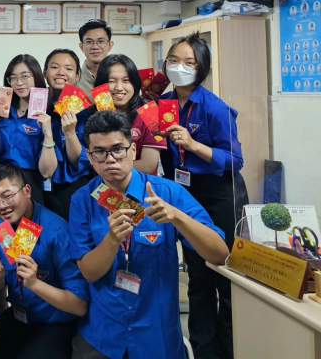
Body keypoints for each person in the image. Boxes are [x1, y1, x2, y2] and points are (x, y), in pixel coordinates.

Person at [69, 111, 228, 359]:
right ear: (89, 157)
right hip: (103, 336)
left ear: (133, 150)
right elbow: (89, 272)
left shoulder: (167, 193)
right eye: (99, 152)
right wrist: (111, 240)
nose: (110, 159)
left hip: (158, 337)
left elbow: (220, 254)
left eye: (118, 149)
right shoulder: (82, 200)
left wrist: (177, 217)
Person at [158, 33, 248, 359]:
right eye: (173, 61)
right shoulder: (164, 103)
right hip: (184, 192)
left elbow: (235, 160)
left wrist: (194, 145)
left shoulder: (214, 107)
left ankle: (230, 350)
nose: (179, 67)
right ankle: (204, 351)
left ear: (202, 68)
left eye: (188, 62)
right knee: (198, 277)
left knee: (226, 275)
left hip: (220, 192)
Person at [0, 164, 88, 359]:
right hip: (20, 317)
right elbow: (0, 285)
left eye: (8, 196)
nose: (2, 206)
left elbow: (80, 306)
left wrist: (35, 284)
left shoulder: (57, 232)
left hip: (55, 324)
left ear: (27, 191)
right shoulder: (2, 226)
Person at [0, 54, 58, 204]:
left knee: (28, 219)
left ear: (37, 76)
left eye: (25, 76)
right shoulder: (0, 110)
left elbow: (47, 172)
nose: (19, 83)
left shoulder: (47, 117)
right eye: (13, 78)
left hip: (28, 181)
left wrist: (47, 133)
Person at [42, 48, 92, 221]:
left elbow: (78, 161)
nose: (61, 72)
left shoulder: (86, 110)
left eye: (68, 68)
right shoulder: (34, 104)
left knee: (76, 227)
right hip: (38, 183)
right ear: (44, 72)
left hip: (74, 185)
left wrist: (70, 133)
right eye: (54, 67)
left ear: (77, 75)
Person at [94, 54, 164, 175]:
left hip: (142, 183)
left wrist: (107, 166)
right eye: (111, 81)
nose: (119, 87)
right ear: (101, 84)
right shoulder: (92, 113)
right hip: (102, 184)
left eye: (126, 80)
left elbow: (148, 165)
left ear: (135, 83)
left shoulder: (151, 112)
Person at [76, 20, 114, 101]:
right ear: (81, 47)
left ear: (110, 45)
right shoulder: (73, 80)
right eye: (89, 42)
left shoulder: (121, 78)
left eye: (101, 41)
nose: (95, 47)